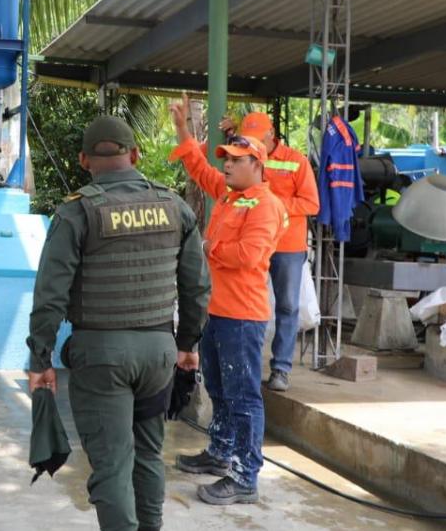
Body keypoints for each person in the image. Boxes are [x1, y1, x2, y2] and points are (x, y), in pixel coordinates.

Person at [27, 115, 211, 531]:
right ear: (135, 154)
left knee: (111, 464)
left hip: (102, 358)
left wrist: (40, 360)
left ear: (83, 159)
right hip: (159, 355)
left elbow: (50, 296)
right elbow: (198, 285)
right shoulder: (174, 206)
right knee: (148, 454)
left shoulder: (78, 212)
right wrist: (187, 345)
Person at [168, 94, 287, 506]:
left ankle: (245, 474)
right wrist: (183, 129)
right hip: (218, 313)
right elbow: (199, 168)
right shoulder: (231, 195)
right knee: (218, 387)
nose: (227, 165)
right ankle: (219, 453)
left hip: (243, 317)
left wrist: (207, 246)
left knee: (243, 396)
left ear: (257, 163)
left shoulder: (265, 205)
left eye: (236, 160)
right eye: (228, 160)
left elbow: (250, 255)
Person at [223, 113, 319, 391]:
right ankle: (245, 365)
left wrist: (273, 205)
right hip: (253, 244)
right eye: (247, 139)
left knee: (287, 306)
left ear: (271, 134)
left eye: (257, 138)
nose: (253, 144)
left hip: (287, 247)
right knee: (246, 301)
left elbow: (311, 204)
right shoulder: (247, 157)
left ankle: (281, 369)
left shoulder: (296, 161)